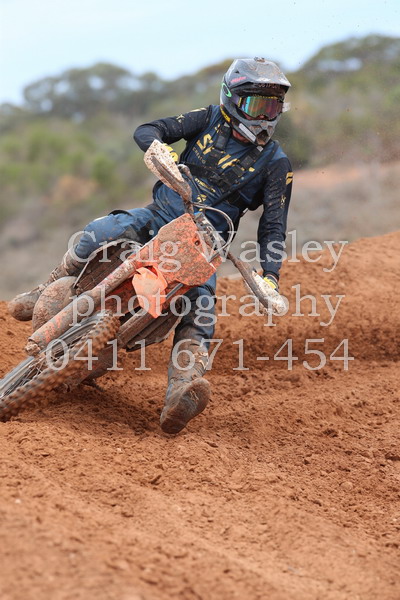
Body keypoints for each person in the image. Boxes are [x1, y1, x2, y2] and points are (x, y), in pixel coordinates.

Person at [9, 57, 293, 434]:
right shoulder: (208, 119)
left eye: (273, 107)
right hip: (159, 217)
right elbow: (148, 129)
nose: (265, 116)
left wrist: (270, 277)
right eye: (257, 105)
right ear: (232, 99)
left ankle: (182, 389)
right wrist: (162, 153)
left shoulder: (276, 162)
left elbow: (273, 225)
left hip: (205, 248)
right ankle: (46, 286)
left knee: (201, 310)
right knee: (100, 230)